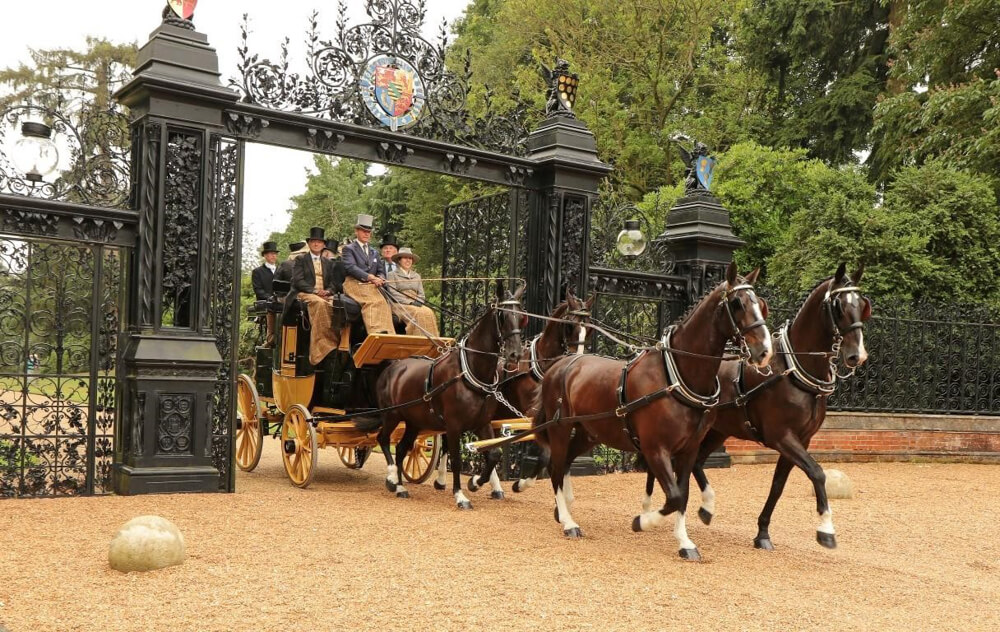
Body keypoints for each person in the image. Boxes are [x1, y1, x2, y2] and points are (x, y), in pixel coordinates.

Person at [289, 227, 346, 364]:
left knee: (341, 304)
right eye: (313, 241)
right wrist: (315, 291)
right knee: (320, 304)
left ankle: (339, 341)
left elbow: (333, 282)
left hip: (324, 294)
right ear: (309, 243)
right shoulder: (301, 259)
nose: (316, 244)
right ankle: (322, 347)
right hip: (305, 293)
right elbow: (298, 281)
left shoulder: (328, 262)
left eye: (319, 242)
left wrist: (329, 291)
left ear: (323, 245)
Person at [341, 213, 395, 335]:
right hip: (354, 283)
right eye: (363, 231)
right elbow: (350, 267)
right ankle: (376, 333)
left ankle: (389, 334)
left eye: (368, 231)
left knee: (383, 302)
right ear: (356, 231)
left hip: (372, 286)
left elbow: (381, 270)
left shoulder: (374, 252)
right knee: (373, 302)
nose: (366, 234)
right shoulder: (348, 249)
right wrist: (369, 277)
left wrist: (380, 278)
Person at [387, 247, 440, 337]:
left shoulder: (416, 276)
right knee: (417, 313)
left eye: (410, 258)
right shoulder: (392, 275)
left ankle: (432, 341)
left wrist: (419, 301)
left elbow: (421, 294)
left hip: (416, 303)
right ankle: (418, 339)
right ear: (399, 260)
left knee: (429, 312)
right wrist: (410, 302)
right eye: (405, 258)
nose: (408, 260)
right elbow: (393, 293)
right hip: (399, 305)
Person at [252, 241, 279, 346]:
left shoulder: (280, 270)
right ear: (265, 256)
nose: (273, 256)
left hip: (280, 301)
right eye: (270, 254)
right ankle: (270, 338)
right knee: (271, 309)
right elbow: (258, 290)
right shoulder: (257, 271)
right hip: (267, 302)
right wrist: (271, 297)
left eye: (274, 254)